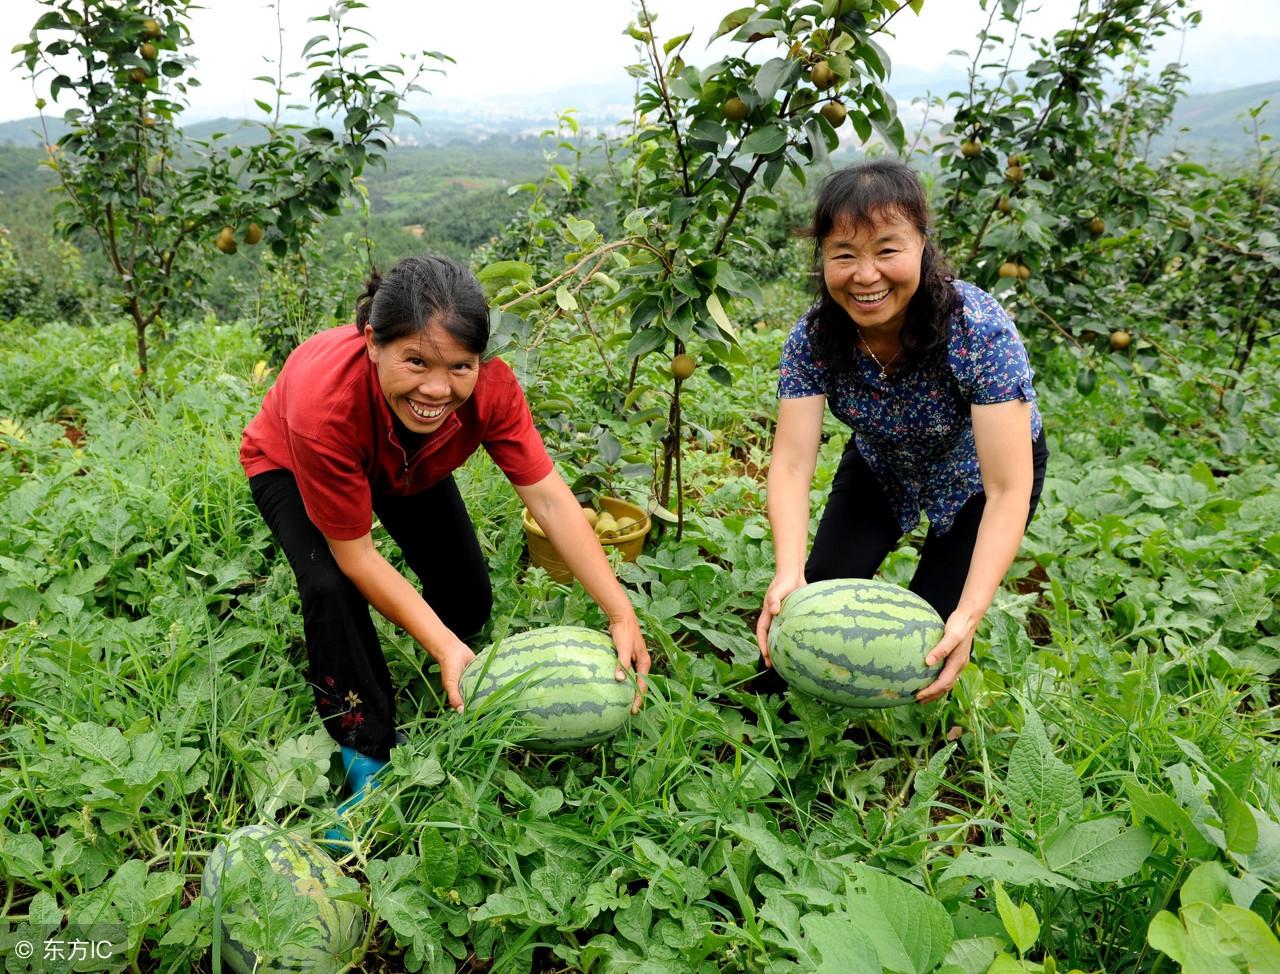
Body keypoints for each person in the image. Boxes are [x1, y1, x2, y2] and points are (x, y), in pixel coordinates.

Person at [241, 255, 649, 813]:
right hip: (292, 461)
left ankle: (449, 666)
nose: (437, 388)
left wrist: (620, 612)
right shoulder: (324, 407)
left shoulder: (490, 392)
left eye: (460, 366)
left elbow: (552, 501)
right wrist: (441, 644)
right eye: (415, 361)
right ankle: (366, 746)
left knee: (466, 594)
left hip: (411, 459)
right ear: (371, 343)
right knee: (331, 585)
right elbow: (357, 555)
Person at [755, 160, 1048, 703]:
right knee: (806, 603)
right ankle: (770, 713)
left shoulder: (977, 329)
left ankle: (910, 738)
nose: (866, 275)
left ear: (921, 246)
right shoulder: (814, 338)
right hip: (882, 463)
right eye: (845, 254)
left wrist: (970, 610)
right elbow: (793, 465)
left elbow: (1009, 489)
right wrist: (787, 570)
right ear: (823, 258)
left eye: (887, 250)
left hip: (979, 480)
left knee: (929, 641)